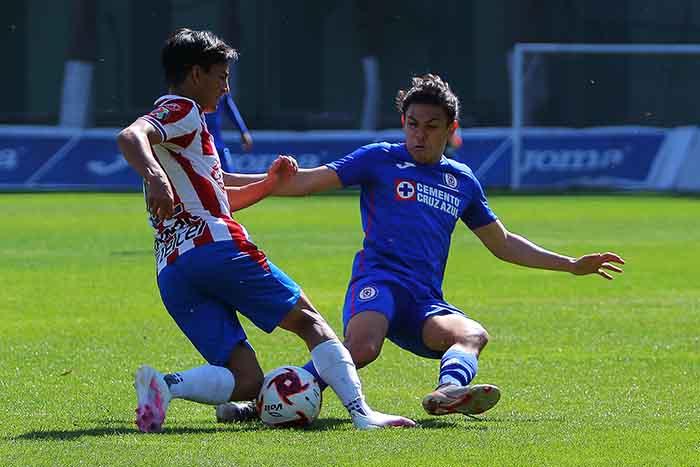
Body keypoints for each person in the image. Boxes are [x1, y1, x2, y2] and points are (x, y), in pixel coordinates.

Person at [216, 73, 625, 422]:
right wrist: (213, 182)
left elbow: (502, 243)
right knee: (361, 349)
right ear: (403, 122)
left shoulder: (462, 181)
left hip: (424, 301)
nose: (419, 134)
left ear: (451, 129)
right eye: (412, 124)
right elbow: (303, 181)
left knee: (472, 334)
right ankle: (262, 403)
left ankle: (447, 392)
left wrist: (571, 264)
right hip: (378, 282)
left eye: (431, 126)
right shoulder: (379, 158)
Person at [116, 27, 415, 433]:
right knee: (309, 321)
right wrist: (153, 175)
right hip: (217, 249)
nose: (226, 87)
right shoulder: (183, 110)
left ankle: (166, 386)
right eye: (221, 76)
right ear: (194, 74)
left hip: (173, 270)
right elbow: (131, 134)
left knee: (247, 380)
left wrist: (269, 182)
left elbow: (218, 192)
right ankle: (363, 414)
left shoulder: (184, 132)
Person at [205, 93, 253, 172]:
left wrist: (243, 131)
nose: (226, 87)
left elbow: (230, 108)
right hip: (200, 144)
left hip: (217, 144)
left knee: (226, 174)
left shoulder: (222, 90)